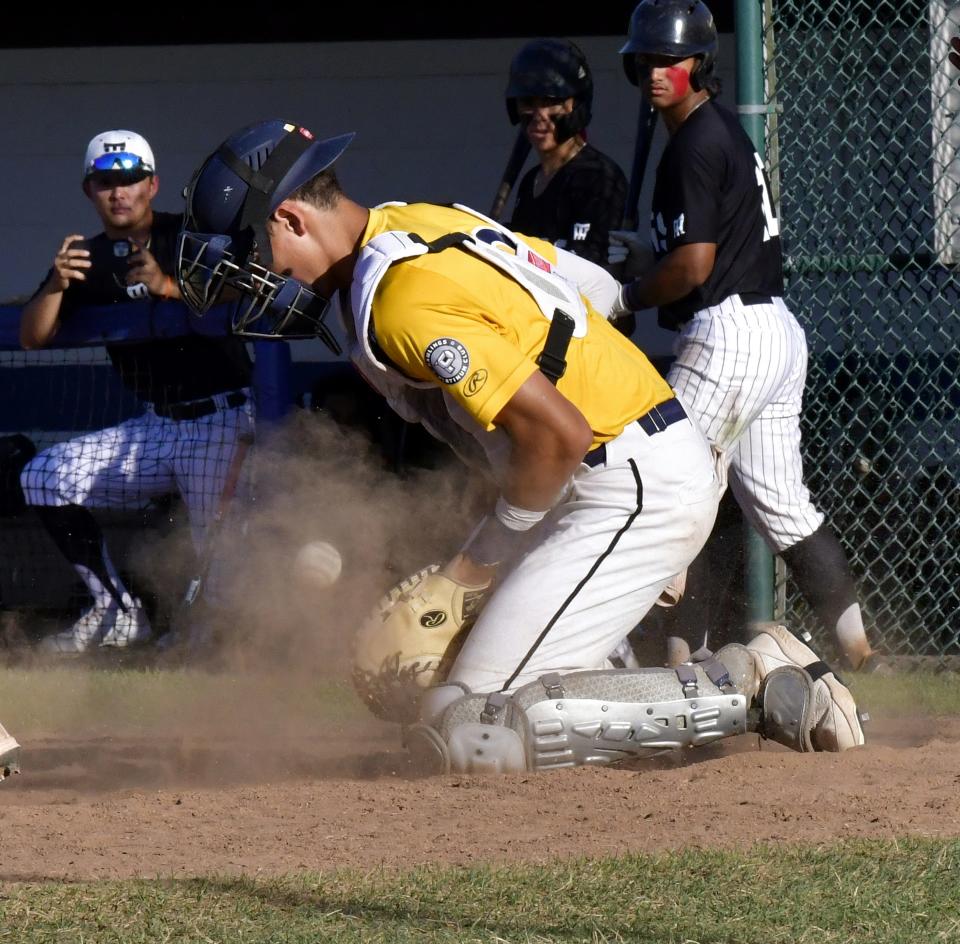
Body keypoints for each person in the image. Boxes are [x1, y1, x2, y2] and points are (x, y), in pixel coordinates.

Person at [175, 119, 865, 774]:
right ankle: (645, 682)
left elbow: (556, 434)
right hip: (618, 470)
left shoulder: (397, 300)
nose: (255, 283)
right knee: (457, 702)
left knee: (473, 727)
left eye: (252, 257)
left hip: (620, 479)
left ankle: (756, 683)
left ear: (292, 218)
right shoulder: (418, 218)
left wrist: (471, 572)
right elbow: (589, 285)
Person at [608, 0, 879, 672]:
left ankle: (675, 661)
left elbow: (694, 266)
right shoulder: (717, 132)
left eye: (671, 58)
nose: (657, 71)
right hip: (774, 330)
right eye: (648, 58)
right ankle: (859, 650)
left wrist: (629, 293)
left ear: (700, 64)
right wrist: (653, 261)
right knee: (779, 502)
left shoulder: (693, 145)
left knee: (664, 483)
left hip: (728, 331)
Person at [19, 129, 254, 654]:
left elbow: (253, 294)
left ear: (152, 184)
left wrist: (171, 286)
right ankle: (117, 613)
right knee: (44, 477)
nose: (118, 192)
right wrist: (57, 285)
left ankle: (220, 645)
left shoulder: (190, 235)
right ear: (89, 190)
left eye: (129, 180)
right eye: (106, 182)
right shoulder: (86, 257)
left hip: (223, 417)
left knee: (221, 564)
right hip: (156, 424)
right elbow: (31, 337)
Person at [503, 38, 628, 269]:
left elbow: (592, 269)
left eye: (552, 102)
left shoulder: (597, 176)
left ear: (576, 105)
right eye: (528, 101)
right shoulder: (530, 181)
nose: (540, 115)